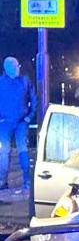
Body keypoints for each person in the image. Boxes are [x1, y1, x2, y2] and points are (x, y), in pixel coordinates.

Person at [0, 57, 36, 190]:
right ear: (7, 68)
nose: (18, 68)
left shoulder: (25, 81)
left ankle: (27, 181)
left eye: (18, 65)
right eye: (15, 66)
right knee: (4, 152)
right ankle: (2, 181)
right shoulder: (1, 82)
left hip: (21, 122)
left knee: (23, 151)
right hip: (4, 124)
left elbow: (34, 99)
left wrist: (29, 117)